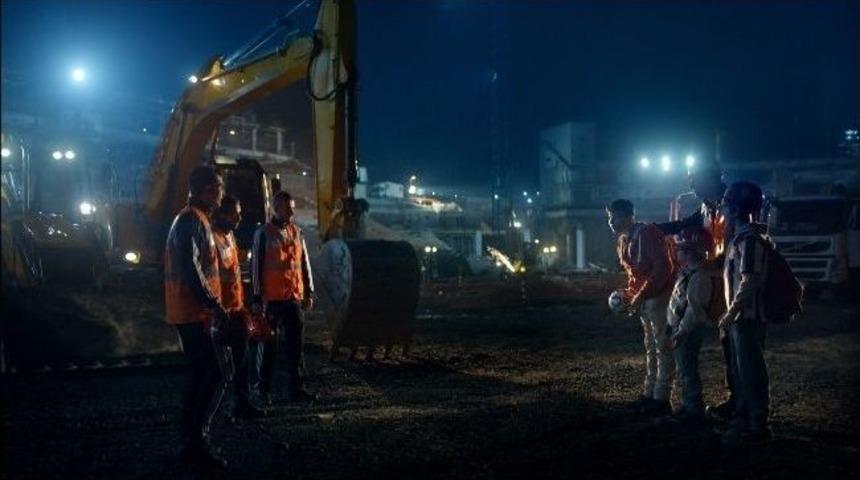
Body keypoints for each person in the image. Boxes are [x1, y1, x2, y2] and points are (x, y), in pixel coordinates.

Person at [163, 165, 230, 471]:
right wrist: (212, 303)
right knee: (213, 374)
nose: (222, 192)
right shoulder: (190, 219)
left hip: (194, 311)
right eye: (218, 186)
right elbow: (191, 268)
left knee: (203, 375)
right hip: (193, 312)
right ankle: (195, 442)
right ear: (206, 190)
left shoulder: (197, 219)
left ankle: (191, 440)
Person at [656, 162, 735, 420]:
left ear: (712, 179)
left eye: (696, 180)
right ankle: (737, 400)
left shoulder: (732, 204)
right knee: (729, 345)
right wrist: (654, 229)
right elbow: (682, 225)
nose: (692, 187)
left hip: (733, 280)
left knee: (739, 348)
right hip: (717, 280)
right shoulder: (707, 207)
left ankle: (745, 407)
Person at [606, 198, 676, 415]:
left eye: (614, 216)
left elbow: (664, 268)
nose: (610, 221)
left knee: (662, 347)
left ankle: (662, 398)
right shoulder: (623, 239)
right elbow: (635, 275)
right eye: (609, 216)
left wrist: (639, 295)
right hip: (646, 298)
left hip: (659, 296)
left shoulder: (647, 233)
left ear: (628, 215)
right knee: (651, 347)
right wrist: (629, 295)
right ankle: (650, 394)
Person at [718, 181, 773, 446]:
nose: (723, 210)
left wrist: (732, 312)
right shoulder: (742, 238)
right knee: (742, 370)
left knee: (751, 371)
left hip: (746, 318)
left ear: (737, 209)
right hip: (741, 317)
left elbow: (750, 281)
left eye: (727, 205)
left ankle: (757, 426)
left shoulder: (749, 241)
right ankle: (745, 420)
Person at [250, 190, 316, 406]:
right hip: (272, 301)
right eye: (288, 207)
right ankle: (263, 389)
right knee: (269, 347)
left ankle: (296, 390)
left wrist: (309, 292)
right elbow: (256, 267)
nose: (292, 211)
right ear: (276, 208)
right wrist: (258, 298)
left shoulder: (297, 232)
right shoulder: (263, 233)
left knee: (296, 348)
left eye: (292, 207)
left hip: (293, 298)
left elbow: (304, 264)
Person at [211, 195, 267, 420]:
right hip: (219, 312)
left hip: (234, 309)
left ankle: (241, 403)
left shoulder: (229, 236)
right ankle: (217, 411)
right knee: (221, 369)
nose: (239, 217)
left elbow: (233, 275)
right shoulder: (212, 238)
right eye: (235, 213)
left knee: (242, 359)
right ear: (222, 214)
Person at [662, 227, 724, 427]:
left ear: (690, 251)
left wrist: (680, 332)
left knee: (688, 369)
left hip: (688, 330)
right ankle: (689, 405)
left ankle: (694, 409)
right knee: (684, 368)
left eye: (680, 248)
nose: (676, 251)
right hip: (681, 328)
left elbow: (693, 311)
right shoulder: (689, 272)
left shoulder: (700, 277)